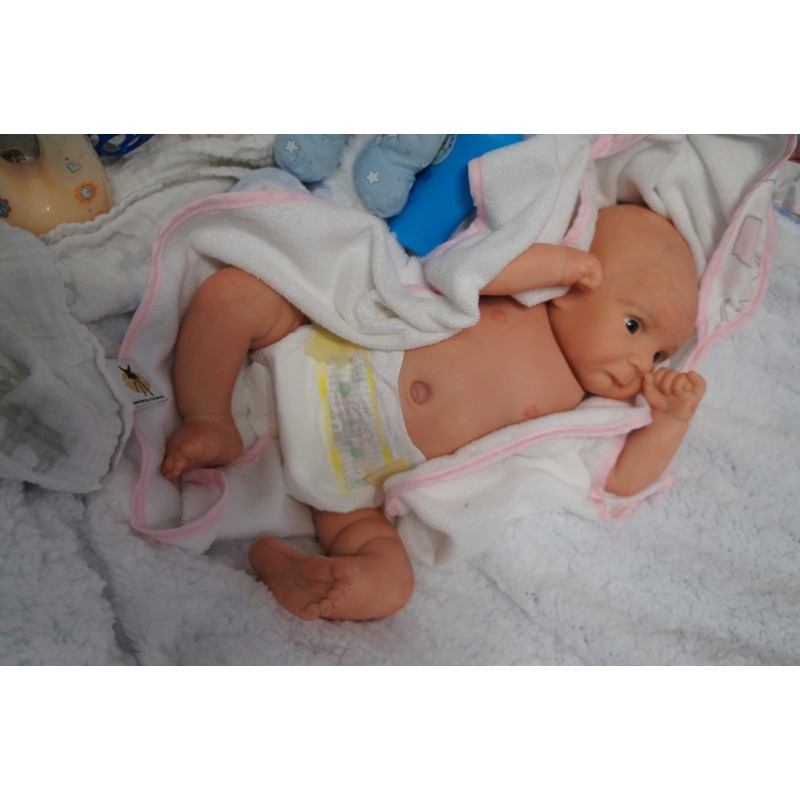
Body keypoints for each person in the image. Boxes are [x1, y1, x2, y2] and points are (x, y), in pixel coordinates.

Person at [162, 203, 706, 622]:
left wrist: (671, 420)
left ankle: (314, 576)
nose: (642, 364)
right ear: (575, 282)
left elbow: (620, 479)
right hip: (329, 356)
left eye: (660, 355)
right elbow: (462, 269)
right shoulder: (524, 295)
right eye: (634, 326)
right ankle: (209, 417)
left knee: (393, 580)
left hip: (358, 479)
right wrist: (554, 264)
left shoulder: (583, 413)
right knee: (236, 294)